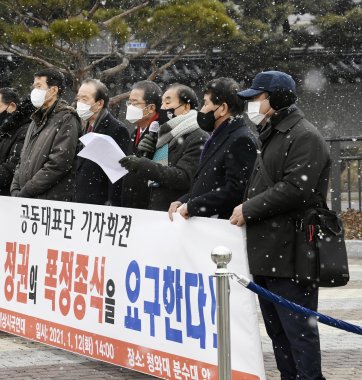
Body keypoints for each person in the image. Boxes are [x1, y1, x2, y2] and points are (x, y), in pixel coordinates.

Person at [230, 71, 329, 380]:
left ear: (276, 99)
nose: (251, 105)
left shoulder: (304, 135)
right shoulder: (274, 132)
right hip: (270, 250)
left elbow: (295, 189)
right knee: (278, 332)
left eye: (257, 98)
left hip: (293, 250)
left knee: (299, 330)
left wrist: (249, 208)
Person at [168, 77, 257, 220]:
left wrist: (193, 206)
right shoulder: (219, 135)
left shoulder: (241, 139)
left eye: (206, 103)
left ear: (222, 108)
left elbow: (236, 190)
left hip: (220, 228)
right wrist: (184, 200)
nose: (202, 110)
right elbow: (207, 183)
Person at [119, 83, 208, 211]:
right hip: (152, 208)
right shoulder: (164, 134)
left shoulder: (198, 136)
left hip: (172, 212)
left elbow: (183, 178)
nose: (163, 108)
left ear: (186, 107)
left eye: (167, 103)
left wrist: (143, 165)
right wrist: (147, 153)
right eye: (162, 104)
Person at [10, 68, 81, 200]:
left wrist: (27, 190)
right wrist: (15, 187)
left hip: (49, 201)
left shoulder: (66, 119)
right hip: (28, 199)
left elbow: (58, 163)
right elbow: (23, 158)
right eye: (34, 87)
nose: (34, 91)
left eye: (38, 86)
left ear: (53, 90)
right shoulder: (35, 120)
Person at [73, 78, 131, 206]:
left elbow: (118, 173)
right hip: (81, 201)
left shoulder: (116, 129)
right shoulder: (84, 127)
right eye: (78, 99)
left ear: (99, 103)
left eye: (84, 99)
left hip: (99, 204)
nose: (79, 103)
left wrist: (111, 203)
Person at [120, 80, 162, 209]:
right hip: (130, 203)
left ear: (151, 108)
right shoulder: (135, 132)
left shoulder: (161, 133)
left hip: (147, 205)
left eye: (135, 103)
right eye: (129, 102)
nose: (130, 107)